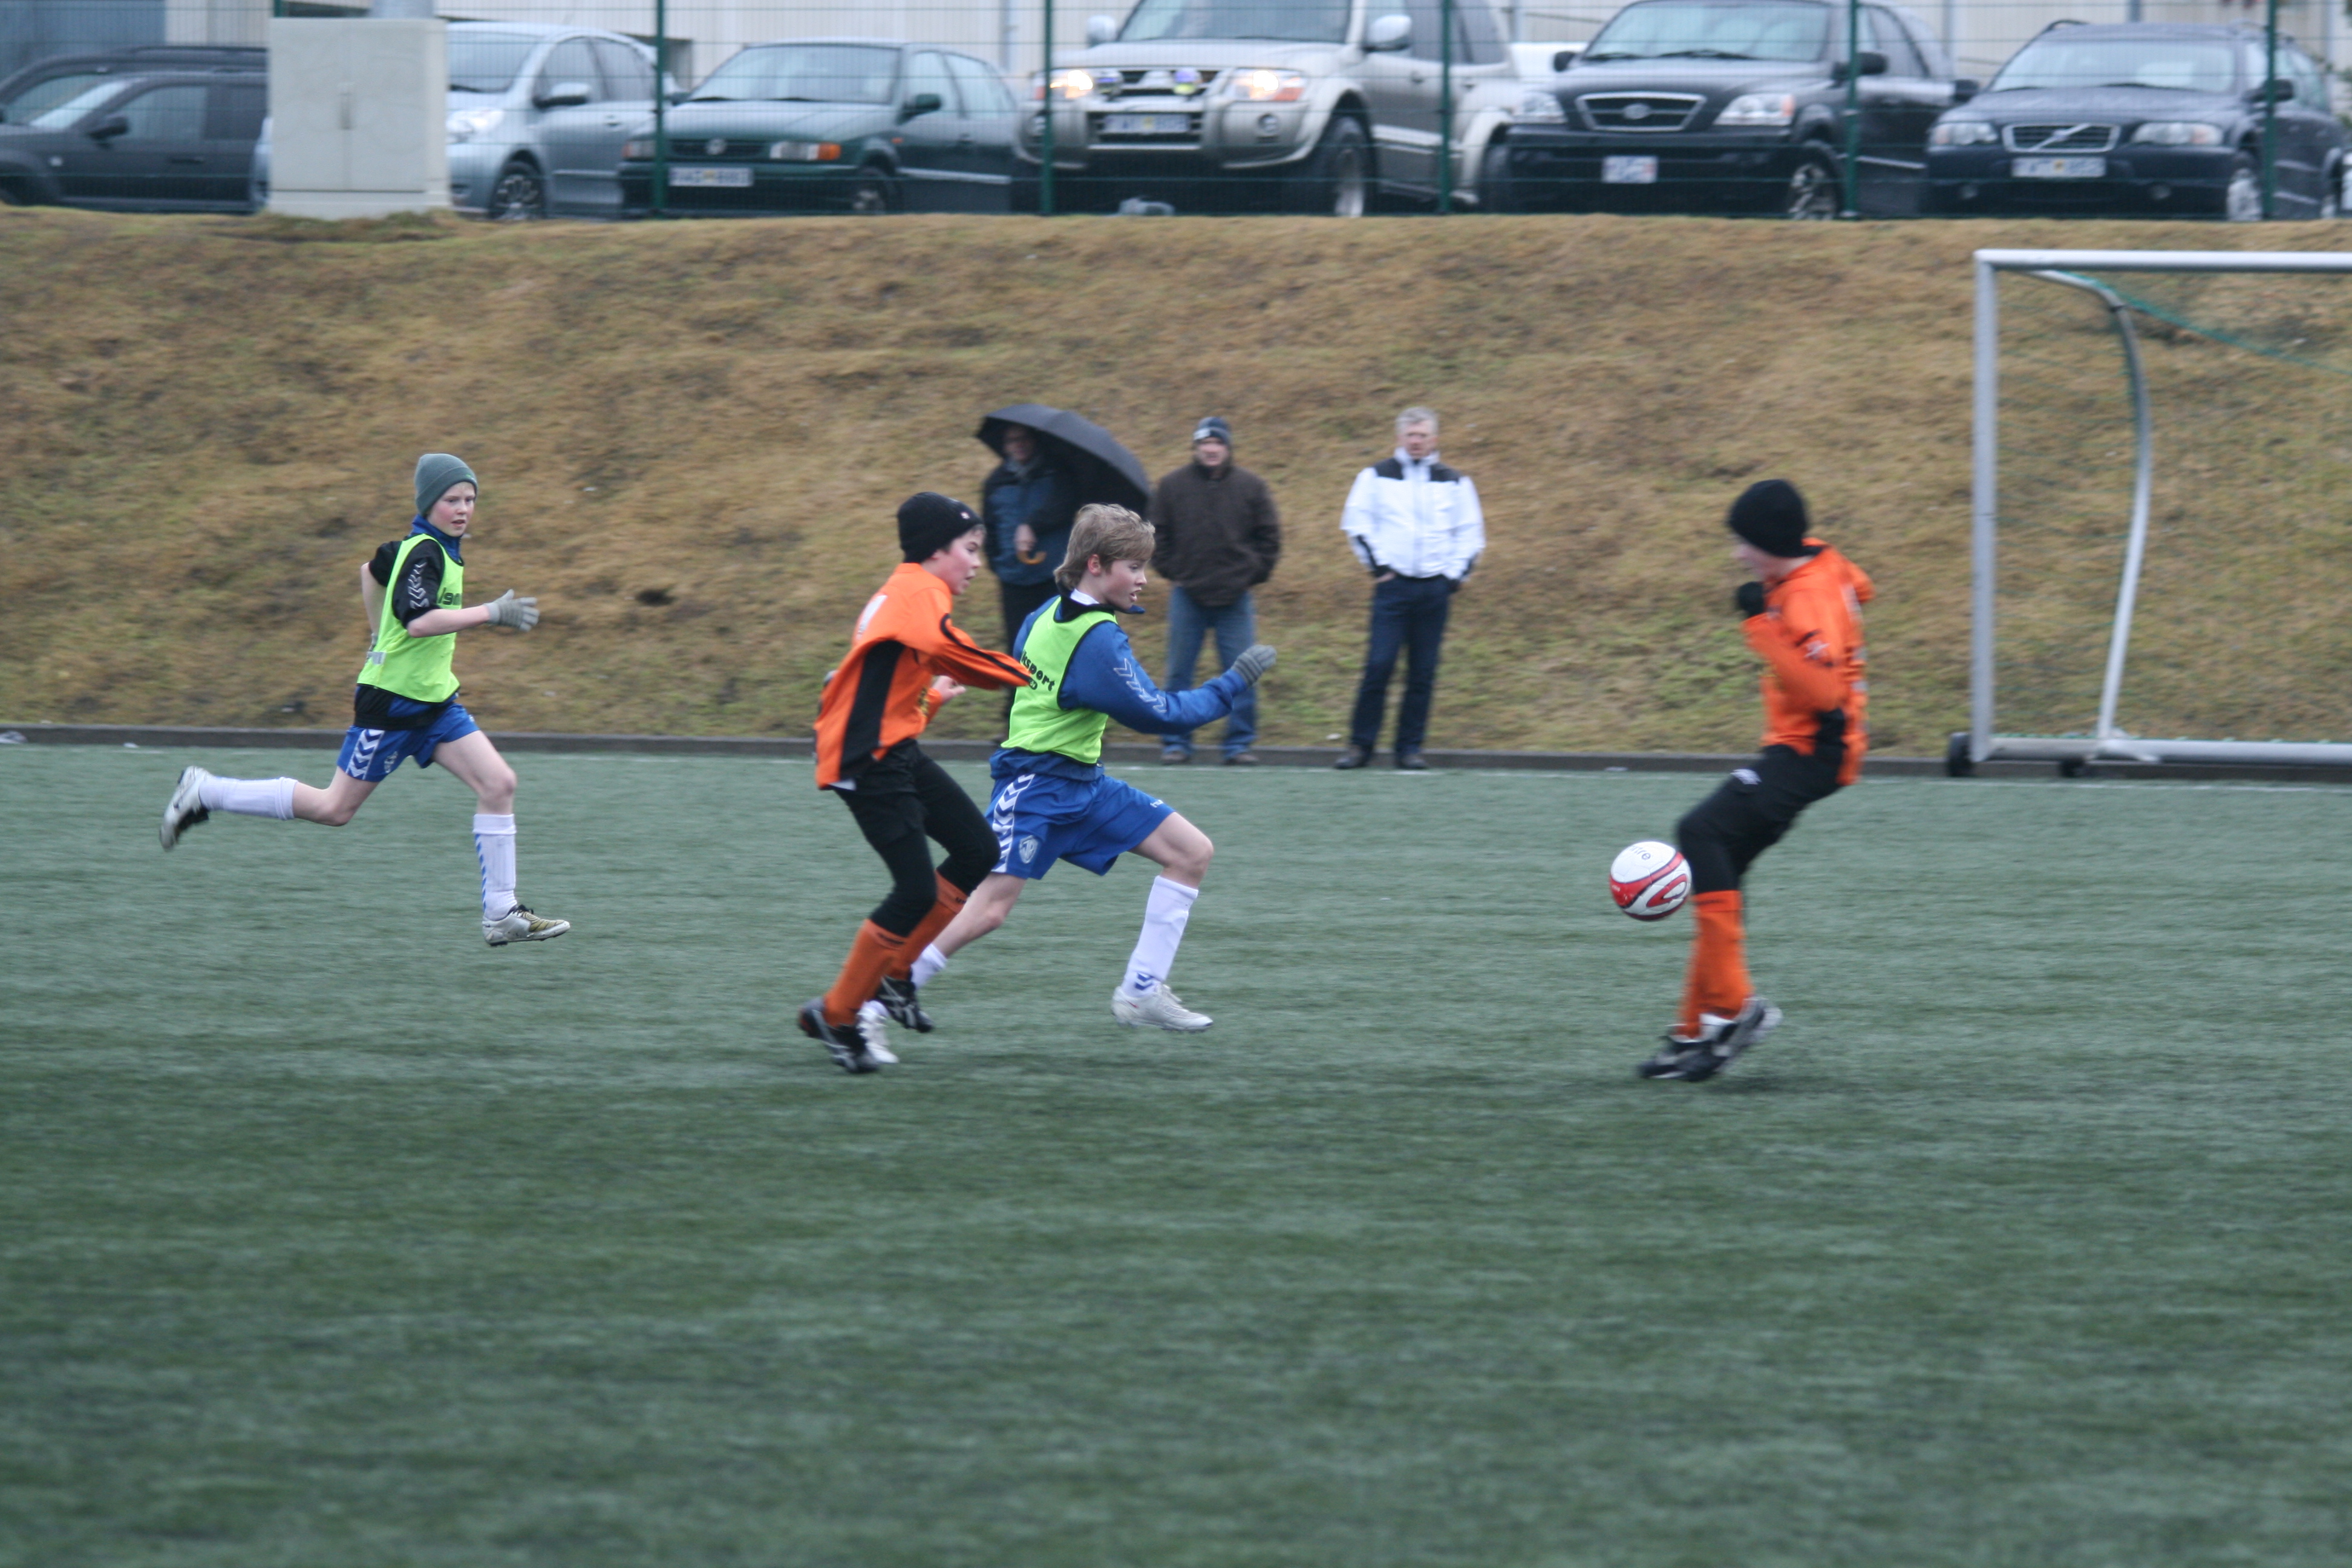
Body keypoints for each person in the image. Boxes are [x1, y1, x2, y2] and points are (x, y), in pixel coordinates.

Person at [157, 453, 567, 947]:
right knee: (334, 808)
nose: (463, 509)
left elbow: (370, 571)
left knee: (499, 783)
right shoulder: (425, 553)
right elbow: (419, 622)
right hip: (392, 705)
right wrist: (491, 612)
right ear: (428, 504)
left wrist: (376, 636)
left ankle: (501, 913)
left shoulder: (423, 548)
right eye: (451, 500)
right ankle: (205, 791)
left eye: (470, 499)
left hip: (436, 704)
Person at [906, 504, 1275, 1033]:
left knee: (1191, 853)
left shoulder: (1043, 613)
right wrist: (1231, 684)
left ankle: (1142, 991)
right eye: (1134, 567)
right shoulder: (1097, 639)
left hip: (1082, 783)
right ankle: (885, 992)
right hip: (1037, 787)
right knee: (987, 911)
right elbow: (1159, 714)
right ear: (1096, 565)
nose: (1144, 580)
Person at [1638, 479, 1873, 1083]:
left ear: (1772, 543)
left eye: (1747, 544)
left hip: (1814, 751)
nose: (1739, 555)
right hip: (1803, 747)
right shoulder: (1816, 562)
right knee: (1718, 868)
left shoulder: (1807, 594)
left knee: (1701, 832)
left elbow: (1823, 692)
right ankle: (1698, 1029)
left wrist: (1762, 626)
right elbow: (1858, 583)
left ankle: (1737, 1010)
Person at [800, 493, 1034, 1075]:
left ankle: (897, 973)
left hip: (890, 750)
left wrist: (931, 697)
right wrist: (1028, 676)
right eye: (969, 550)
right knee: (913, 891)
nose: (976, 564)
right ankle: (837, 1013)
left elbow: (884, 685)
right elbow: (949, 649)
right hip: (868, 761)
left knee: (977, 849)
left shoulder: (908, 591)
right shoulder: (921, 592)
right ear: (935, 550)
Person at [1335, 405, 1485, 772]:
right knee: (1379, 665)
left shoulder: (1455, 481)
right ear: (1399, 438)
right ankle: (1360, 746)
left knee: (1423, 672)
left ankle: (1410, 749)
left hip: (1434, 590)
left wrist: (1452, 578)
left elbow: (1470, 533)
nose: (1416, 441)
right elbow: (1357, 524)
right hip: (1393, 588)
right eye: (1410, 435)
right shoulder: (1375, 476)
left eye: (1423, 435)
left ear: (1434, 439)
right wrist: (1380, 569)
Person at [1148, 414, 1282, 766]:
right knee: (1179, 673)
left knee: (1243, 672)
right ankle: (1176, 743)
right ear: (1195, 448)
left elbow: (1270, 538)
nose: (1211, 449)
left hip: (1235, 598)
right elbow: (1156, 535)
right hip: (1187, 595)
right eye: (1204, 443)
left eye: (1217, 443)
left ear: (1228, 447)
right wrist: (1173, 572)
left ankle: (1239, 744)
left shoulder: (1251, 486)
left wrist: (1251, 576)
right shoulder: (1172, 486)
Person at [980, 421, 1076, 724]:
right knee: (1017, 651)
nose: (1018, 444)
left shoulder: (1057, 475)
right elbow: (989, 527)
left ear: (1034, 442)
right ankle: (1017, 720)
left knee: (1057, 649)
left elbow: (1065, 507)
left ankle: (1063, 718)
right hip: (1013, 580)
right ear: (1005, 446)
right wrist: (999, 563)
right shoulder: (995, 482)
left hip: (1052, 578)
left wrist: (1032, 525)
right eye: (1012, 440)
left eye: (1023, 438)